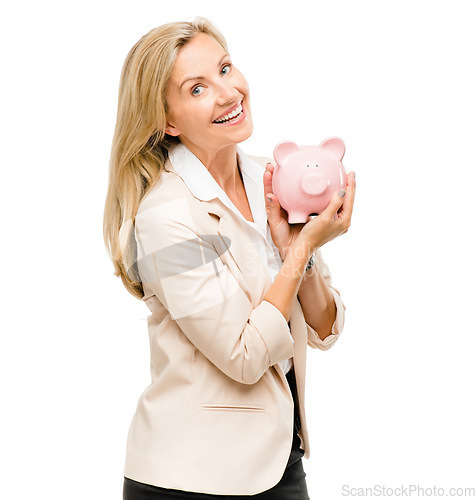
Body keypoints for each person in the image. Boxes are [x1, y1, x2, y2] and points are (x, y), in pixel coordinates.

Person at [103, 16, 356, 500]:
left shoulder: (271, 178)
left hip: (281, 460)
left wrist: (297, 252)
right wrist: (301, 247)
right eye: (197, 88)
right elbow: (243, 357)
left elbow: (326, 328)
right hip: (192, 478)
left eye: (224, 68)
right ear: (167, 121)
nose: (227, 92)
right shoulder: (164, 217)